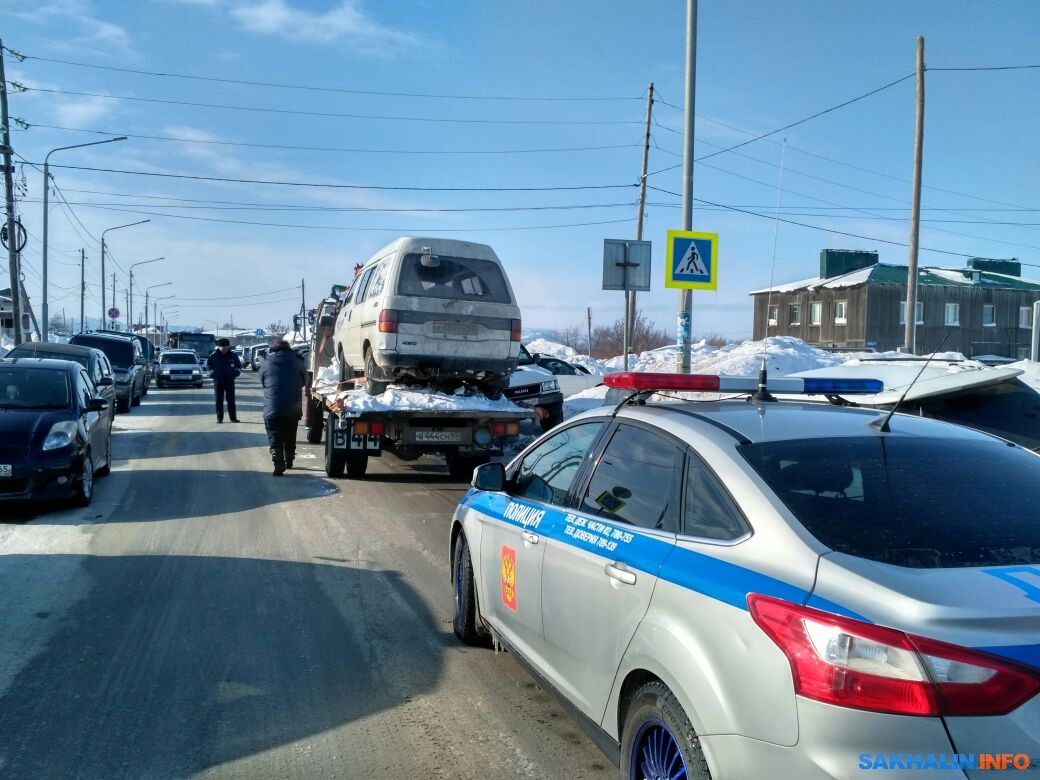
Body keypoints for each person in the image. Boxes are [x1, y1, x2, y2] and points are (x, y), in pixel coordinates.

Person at [260, 340, 307, 476]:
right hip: (293, 406)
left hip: (272, 407)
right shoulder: (298, 361)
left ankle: (277, 457)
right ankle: (289, 460)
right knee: (290, 434)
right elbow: (305, 380)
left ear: (274, 349)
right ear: (289, 348)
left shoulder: (267, 362)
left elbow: (263, 381)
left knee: (274, 434)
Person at [207, 338, 242, 423]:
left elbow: (239, 367)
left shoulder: (233, 355)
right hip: (218, 382)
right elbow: (208, 368)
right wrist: (215, 376)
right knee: (219, 400)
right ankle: (219, 418)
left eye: (226, 346)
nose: (225, 348)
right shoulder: (213, 356)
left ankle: (233, 418)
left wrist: (234, 374)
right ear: (218, 347)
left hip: (230, 381)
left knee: (231, 400)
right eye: (223, 346)